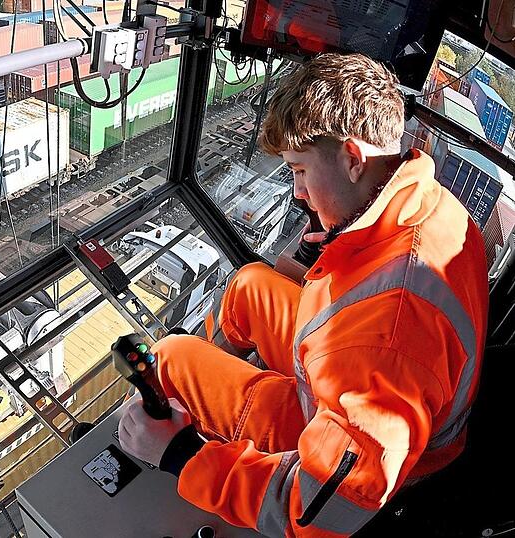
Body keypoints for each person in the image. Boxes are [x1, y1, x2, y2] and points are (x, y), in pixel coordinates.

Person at [118, 53, 489, 537]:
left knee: (169, 357)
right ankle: (212, 394)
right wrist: (344, 248)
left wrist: (181, 455)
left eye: (299, 170)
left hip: (367, 442)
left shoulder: (387, 340)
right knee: (250, 284)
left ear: (354, 159)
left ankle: (171, 430)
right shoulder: (425, 202)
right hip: (347, 366)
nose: (296, 192)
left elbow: (313, 511)